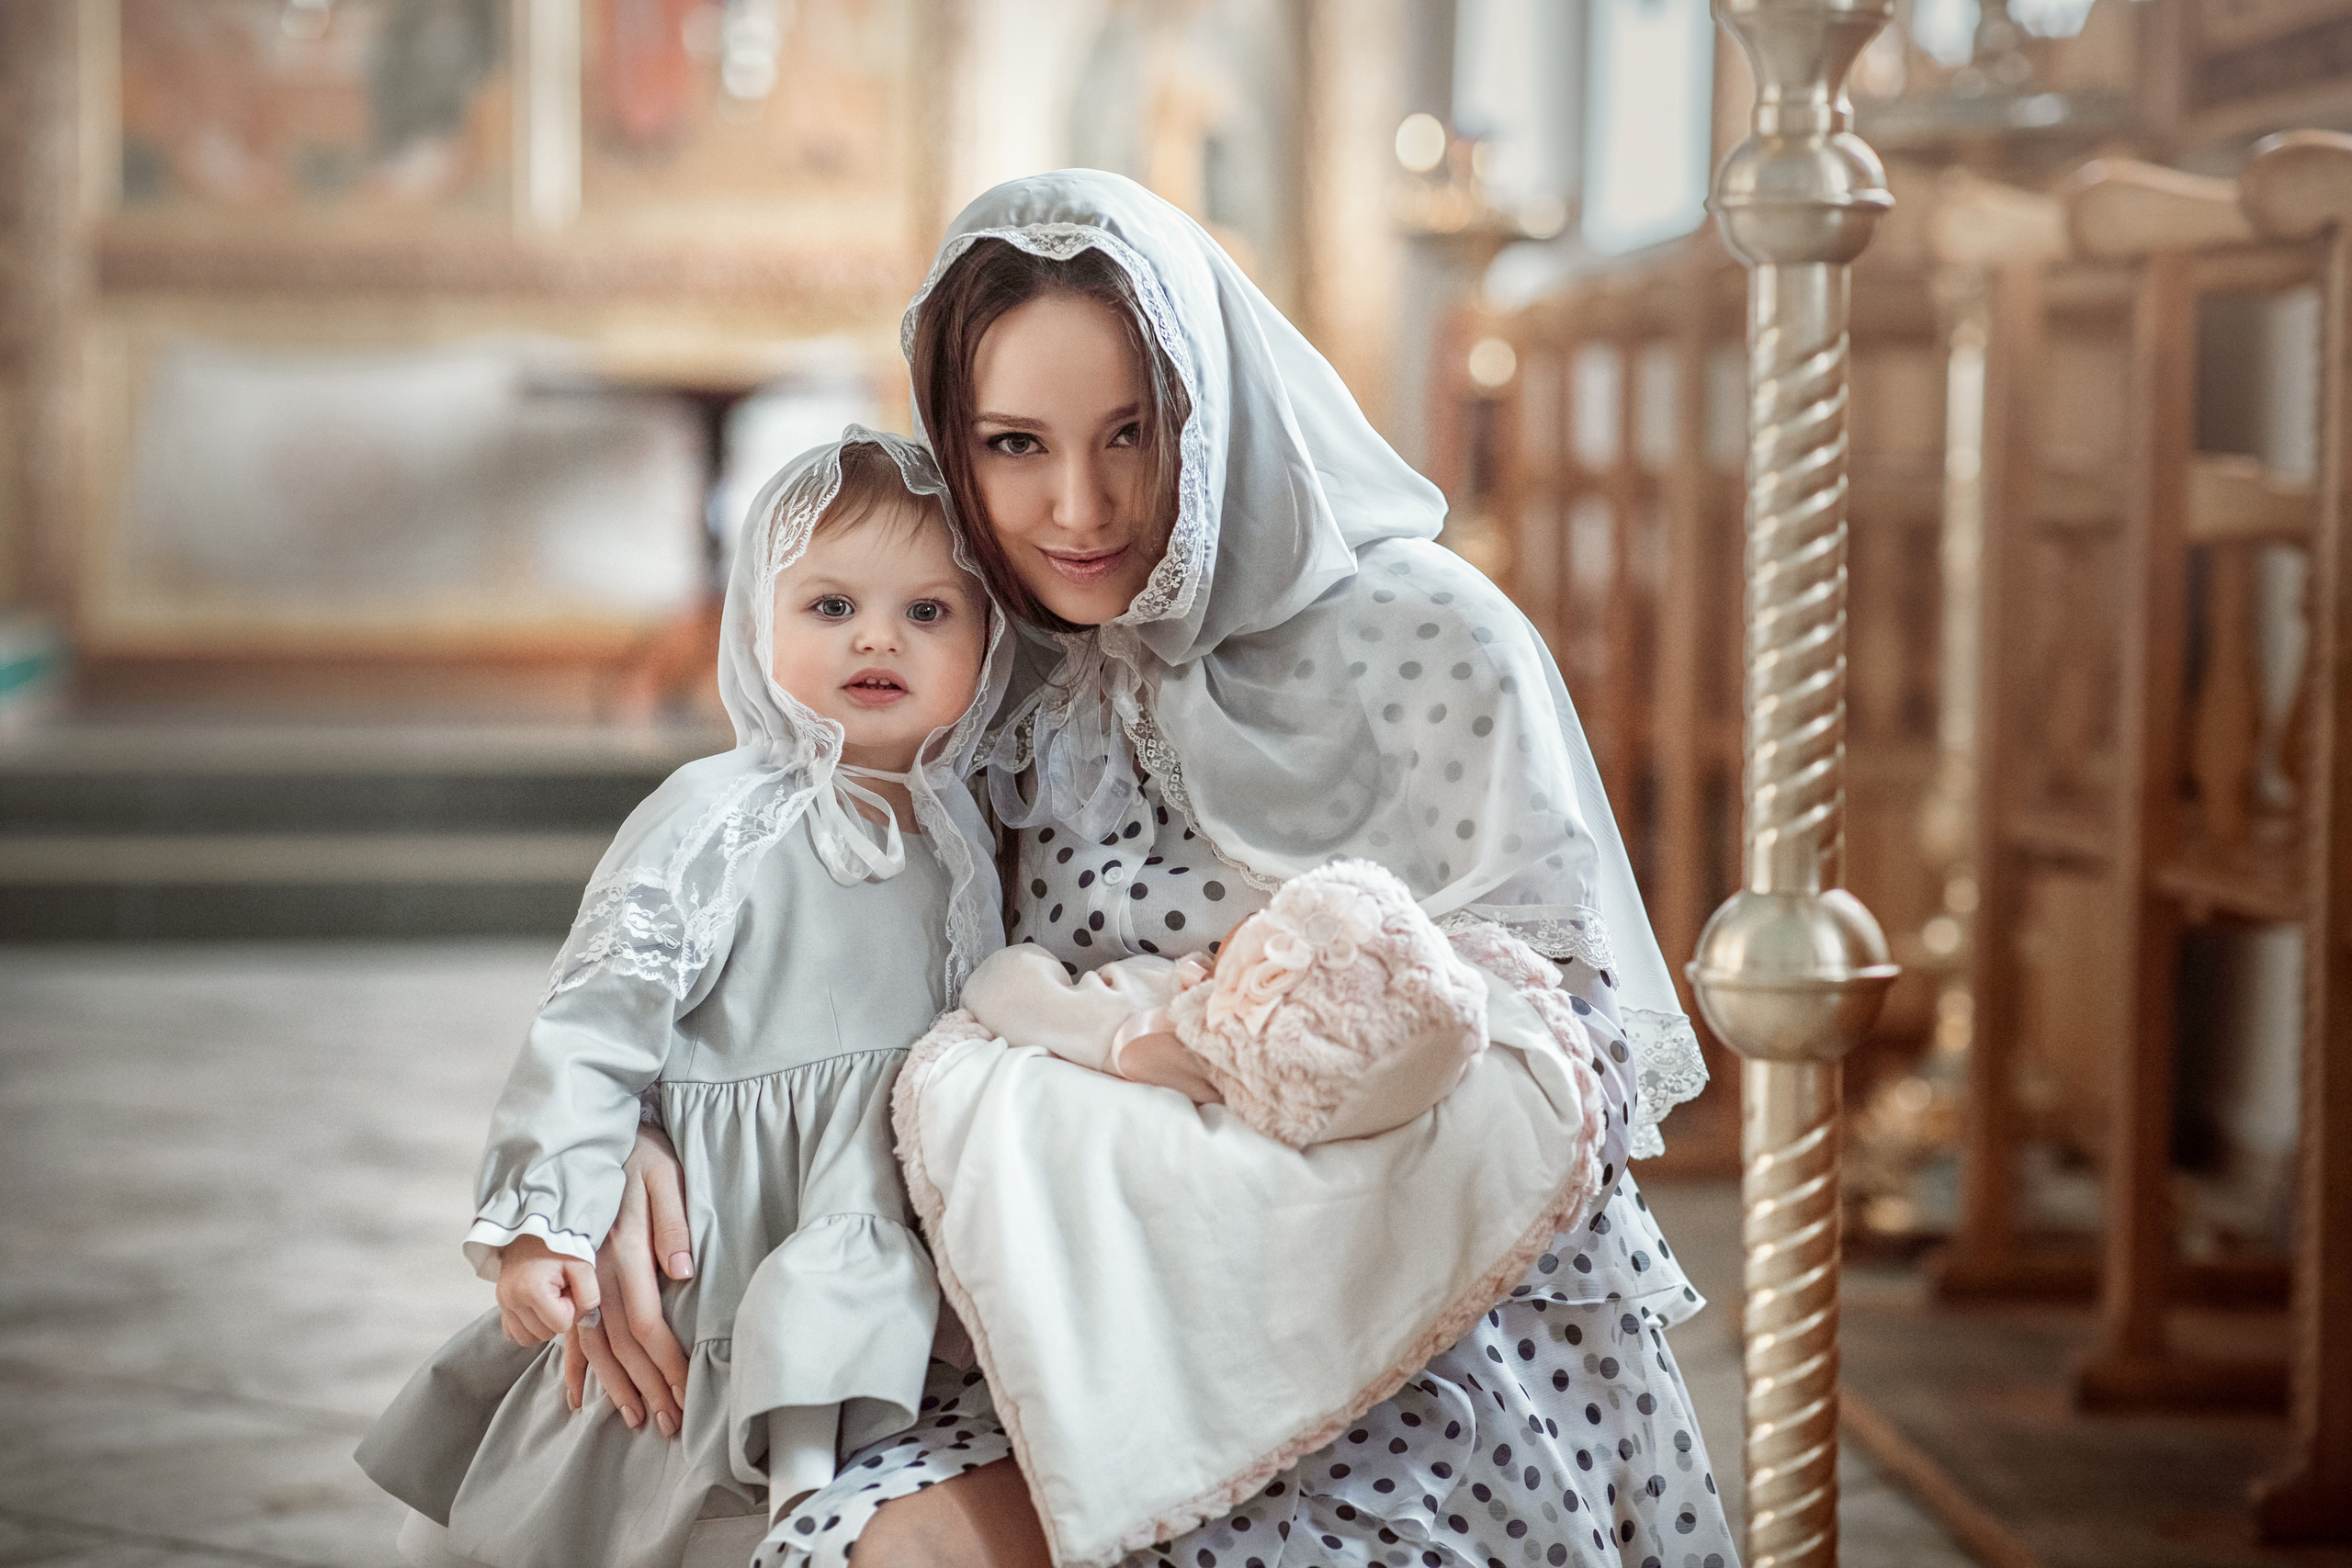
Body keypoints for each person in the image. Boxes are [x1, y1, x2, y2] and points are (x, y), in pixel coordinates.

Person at [616, 171, 1736, 1568]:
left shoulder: (1434, 636)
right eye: (1015, 444)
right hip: (1058, 1321)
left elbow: (1565, 1079)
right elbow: (805, 928)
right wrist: (640, 1125)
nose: (1078, 507)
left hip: (1407, 1332)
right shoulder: (980, 651)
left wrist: (1274, 1099)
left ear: (1208, 410)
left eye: (1133, 435)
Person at [354, 431, 1015, 1568]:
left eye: (927, 613)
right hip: (719, 1233)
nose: (875, 635)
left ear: (989, 643)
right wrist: (544, 1219)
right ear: (756, 623)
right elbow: (593, 1023)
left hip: (864, 1225)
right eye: (829, 605)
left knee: (817, 1469)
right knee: (642, 1446)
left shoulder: (970, 835)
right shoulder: (719, 815)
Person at [959, 857, 1503, 1149]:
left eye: (1277, 929)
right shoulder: (1204, 1015)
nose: (1269, 914)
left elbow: (1001, 986)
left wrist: (1029, 969)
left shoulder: (1165, 1037)